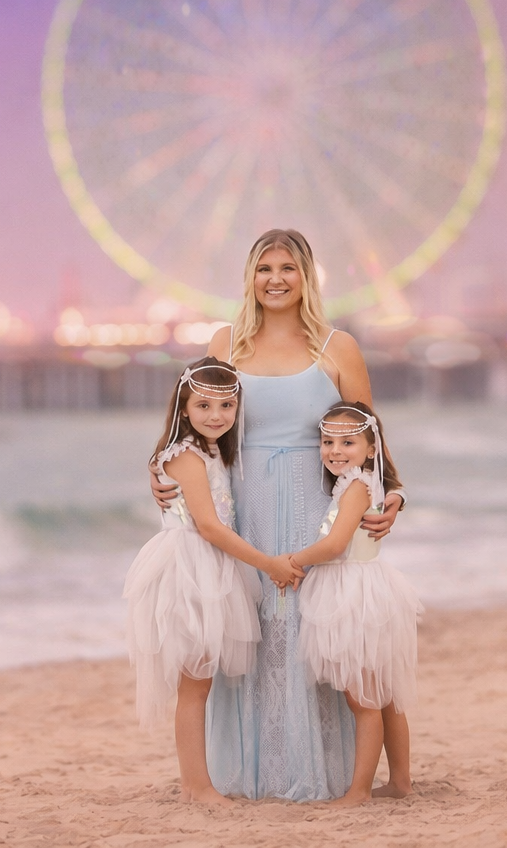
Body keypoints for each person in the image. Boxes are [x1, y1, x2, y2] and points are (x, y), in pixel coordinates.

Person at [150, 230, 410, 801]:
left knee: (315, 636)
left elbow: (370, 434)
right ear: (249, 276)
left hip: (318, 512)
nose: (275, 278)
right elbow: (195, 423)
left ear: (307, 277)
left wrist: (393, 493)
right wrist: (161, 468)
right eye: (263, 268)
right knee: (251, 633)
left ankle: (338, 774)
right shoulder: (226, 342)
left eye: (287, 268)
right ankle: (248, 772)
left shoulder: (337, 347)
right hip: (243, 513)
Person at [124, 357, 302, 806]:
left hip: (212, 568)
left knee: (199, 681)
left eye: (226, 406)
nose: (216, 416)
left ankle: (198, 782)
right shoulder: (184, 454)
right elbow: (207, 525)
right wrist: (267, 564)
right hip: (191, 569)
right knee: (195, 682)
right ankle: (195, 787)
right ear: (183, 410)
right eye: (203, 406)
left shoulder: (209, 451)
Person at [292, 401, 423, 806]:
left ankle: (359, 791)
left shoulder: (354, 485)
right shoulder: (361, 481)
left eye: (348, 442)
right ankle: (400, 781)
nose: (334, 450)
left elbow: (334, 545)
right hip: (366, 586)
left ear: (371, 448)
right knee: (383, 695)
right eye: (327, 441)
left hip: (352, 593)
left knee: (362, 699)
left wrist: (292, 562)